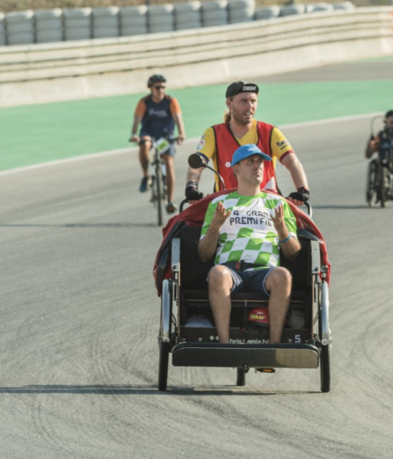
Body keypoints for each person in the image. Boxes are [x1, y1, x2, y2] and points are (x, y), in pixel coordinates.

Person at [197, 144, 301, 344]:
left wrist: (282, 231)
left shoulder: (278, 204)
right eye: (250, 162)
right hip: (230, 271)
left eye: (260, 162)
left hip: (265, 272)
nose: (257, 166)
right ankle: (224, 346)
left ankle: (274, 346)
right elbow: (203, 255)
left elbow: (294, 254)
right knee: (217, 274)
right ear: (236, 169)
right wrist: (214, 228)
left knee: (284, 276)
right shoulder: (220, 203)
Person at [185, 81, 310, 206]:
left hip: (267, 206)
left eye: (253, 101)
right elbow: (198, 163)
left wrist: (302, 189)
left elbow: (292, 162)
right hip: (226, 208)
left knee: (303, 226)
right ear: (229, 104)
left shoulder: (270, 132)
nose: (250, 106)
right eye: (243, 101)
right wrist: (192, 186)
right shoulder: (213, 133)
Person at [130, 74, 186, 214]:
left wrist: (181, 133)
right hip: (149, 133)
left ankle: (170, 200)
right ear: (150, 88)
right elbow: (137, 120)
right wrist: (134, 135)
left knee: (169, 164)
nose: (160, 90)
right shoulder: (144, 102)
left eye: (163, 87)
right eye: (157, 87)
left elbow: (178, 118)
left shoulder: (171, 101)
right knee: (144, 145)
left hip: (165, 136)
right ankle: (146, 176)